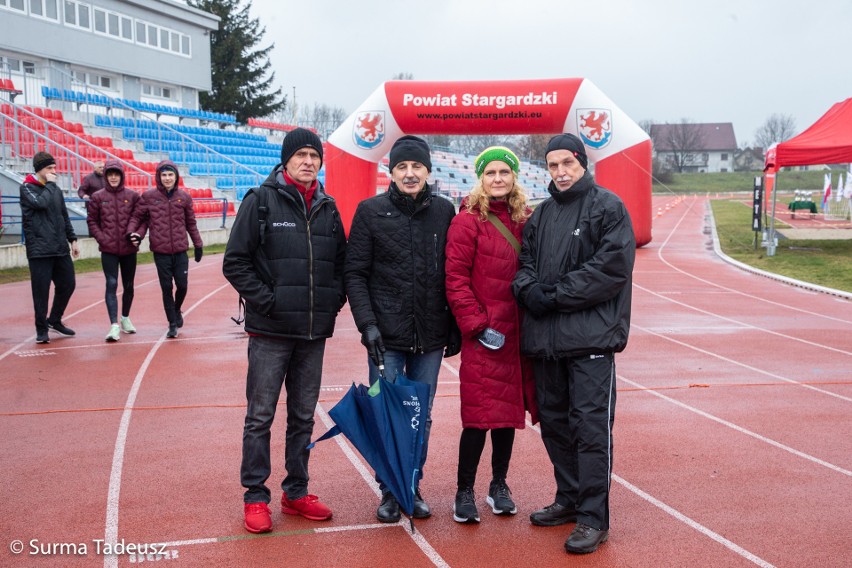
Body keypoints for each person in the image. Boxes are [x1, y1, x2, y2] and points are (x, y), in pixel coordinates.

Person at [512, 133, 635, 554]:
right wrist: (528, 290)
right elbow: (523, 264)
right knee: (556, 424)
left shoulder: (608, 207)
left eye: (567, 163)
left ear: (582, 162)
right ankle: (568, 498)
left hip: (590, 342)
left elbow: (610, 269)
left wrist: (555, 294)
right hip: (546, 342)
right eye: (553, 166)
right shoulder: (541, 215)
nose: (560, 172)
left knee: (590, 429)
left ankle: (593, 518)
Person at [223, 128, 347, 534]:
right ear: (286, 159)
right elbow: (235, 262)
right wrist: (269, 302)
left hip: (312, 335)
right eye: (302, 155)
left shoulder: (328, 207)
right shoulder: (260, 201)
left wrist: (332, 303)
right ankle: (255, 496)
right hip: (271, 333)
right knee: (259, 418)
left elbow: (342, 268)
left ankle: (296, 492)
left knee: (302, 418)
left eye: (315, 155)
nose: (309, 161)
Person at [345, 135, 460, 523]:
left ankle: (411, 481)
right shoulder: (369, 211)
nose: (409, 174)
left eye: (416, 167)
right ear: (390, 172)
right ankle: (389, 490)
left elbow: (454, 272)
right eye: (401, 167)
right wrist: (368, 326)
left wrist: (454, 326)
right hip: (385, 339)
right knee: (384, 413)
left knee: (420, 416)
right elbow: (355, 274)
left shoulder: (445, 211)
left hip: (429, 338)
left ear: (428, 170)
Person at [444, 146, 536, 524]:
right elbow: (455, 279)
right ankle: (464, 490)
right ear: (479, 178)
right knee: (478, 417)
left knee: (506, 416)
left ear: (514, 177)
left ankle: (499, 484)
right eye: (490, 173)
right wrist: (477, 326)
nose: (498, 178)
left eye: (505, 172)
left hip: (517, 337)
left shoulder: (524, 219)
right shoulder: (467, 221)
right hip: (484, 336)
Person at [127, 160, 202, 338]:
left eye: (170, 175)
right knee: (166, 287)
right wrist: (131, 232)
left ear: (176, 177)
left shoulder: (184, 197)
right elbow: (137, 217)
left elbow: (191, 223)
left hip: (180, 250)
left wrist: (198, 244)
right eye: (164, 175)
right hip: (161, 252)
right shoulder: (149, 197)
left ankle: (177, 310)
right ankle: (172, 323)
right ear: (159, 177)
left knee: (182, 286)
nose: (167, 178)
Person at [19, 152, 80, 344]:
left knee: (68, 284)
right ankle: (41, 329)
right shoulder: (27, 188)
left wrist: (73, 239)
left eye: (54, 168)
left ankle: (54, 319)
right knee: (41, 291)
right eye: (50, 168)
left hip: (60, 247)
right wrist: (51, 185)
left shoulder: (55, 190)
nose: (54, 172)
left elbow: (64, 215)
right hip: (39, 250)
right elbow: (40, 203)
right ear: (40, 170)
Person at [87, 159, 141, 342]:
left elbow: (141, 218)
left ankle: (125, 317)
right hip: (108, 250)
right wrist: (102, 238)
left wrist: (136, 236)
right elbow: (92, 221)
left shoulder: (132, 196)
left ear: (121, 176)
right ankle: (114, 325)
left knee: (129, 285)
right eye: (109, 174)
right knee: (111, 283)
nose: (113, 177)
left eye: (116, 174)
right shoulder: (97, 197)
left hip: (128, 250)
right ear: (105, 176)